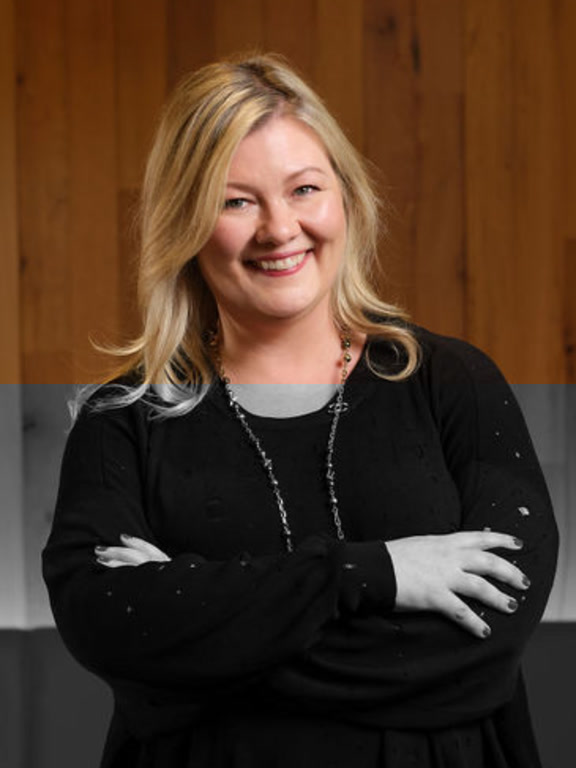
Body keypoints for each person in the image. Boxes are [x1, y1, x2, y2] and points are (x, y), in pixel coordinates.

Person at [43, 53, 558, 768]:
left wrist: (197, 651)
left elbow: (489, 643)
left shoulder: (455, 382)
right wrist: (375, 575)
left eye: (304, 189)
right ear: (187, 222)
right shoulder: (123, 418)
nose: (279, 229)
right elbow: (106, 621)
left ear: (344, 198)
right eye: (236, 201)